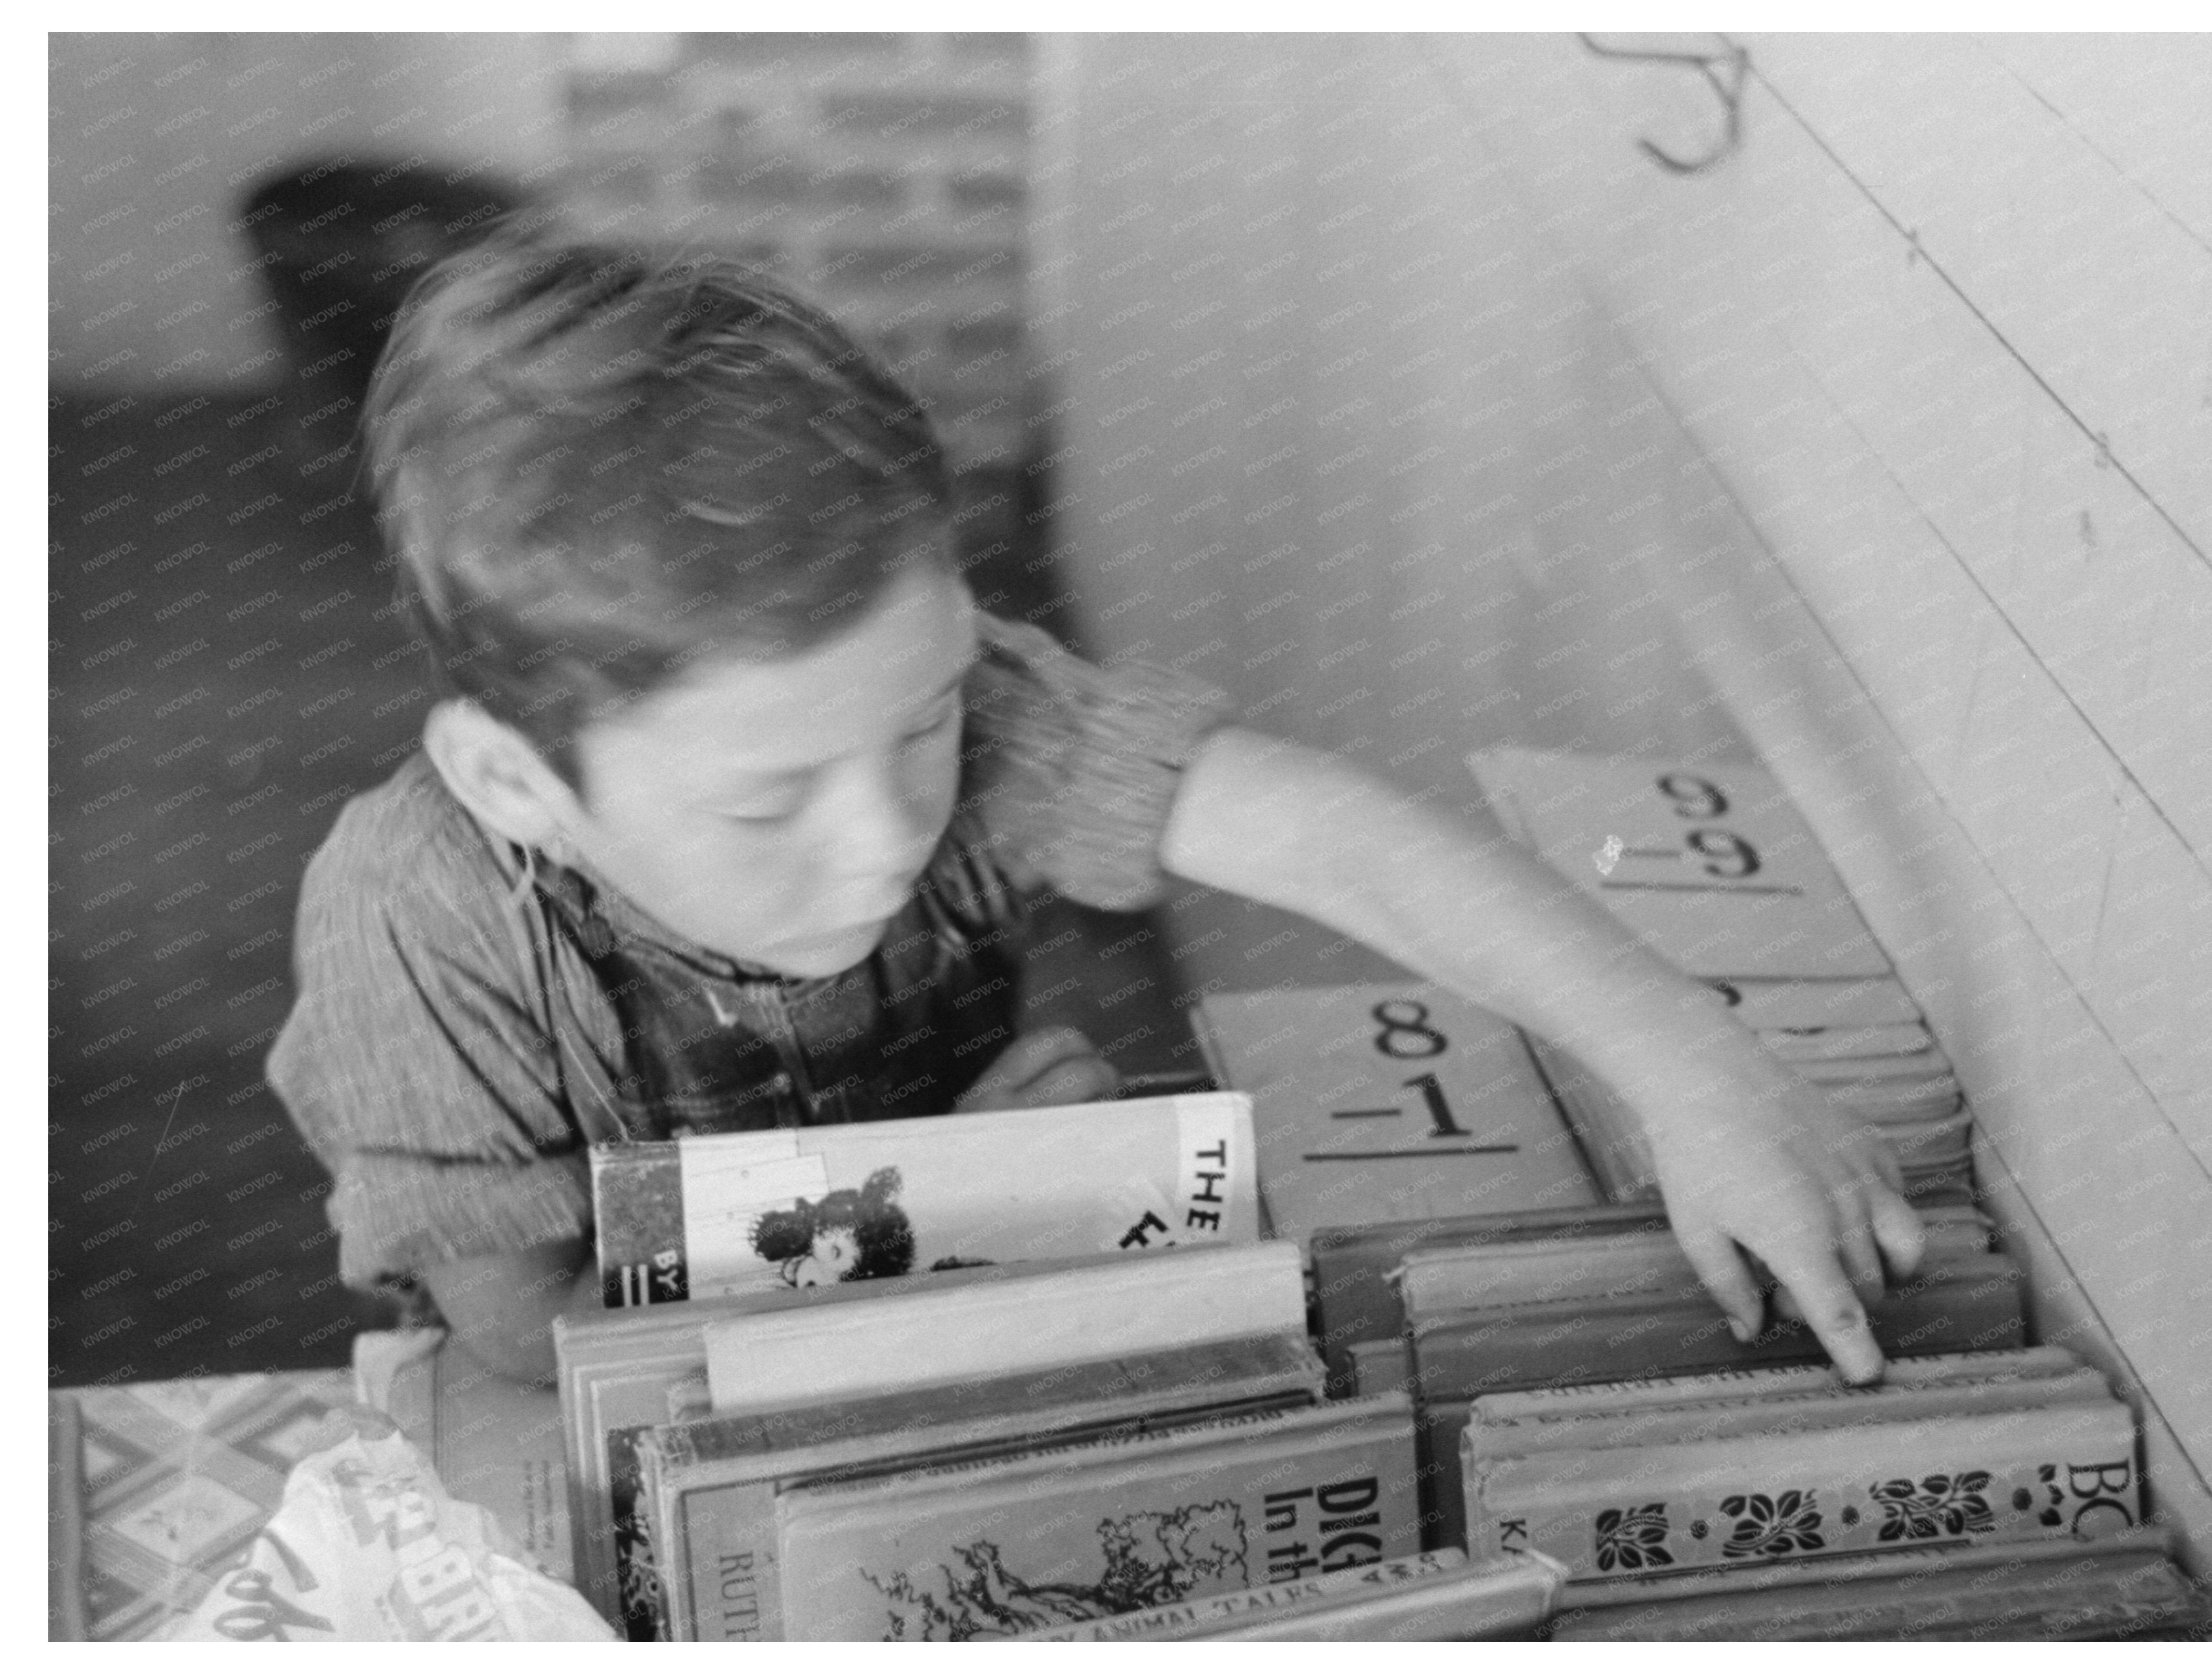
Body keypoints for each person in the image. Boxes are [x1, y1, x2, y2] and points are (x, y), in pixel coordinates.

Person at [268, 229, 1923, 1385]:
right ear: (514, 779)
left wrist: (1694, 1073)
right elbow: (526, 1330)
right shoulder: (412, 915)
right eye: (771, 801)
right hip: (654, 1376)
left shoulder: (980, 716)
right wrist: (919, 1206)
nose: (890, 831)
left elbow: (1335, 833)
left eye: (923, 722)